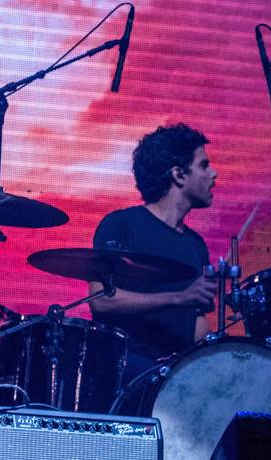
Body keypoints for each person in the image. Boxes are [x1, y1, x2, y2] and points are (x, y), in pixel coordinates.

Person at [88, 124, 217, 382]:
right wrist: (178, 298)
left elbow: (197, 322)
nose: (214, 174)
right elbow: (101, 299)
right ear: (179, 175)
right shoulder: (122, 224)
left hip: (177, 373)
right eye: (204, 165)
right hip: (126, 370)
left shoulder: (196, 245)